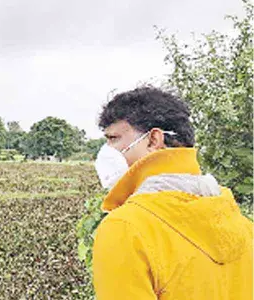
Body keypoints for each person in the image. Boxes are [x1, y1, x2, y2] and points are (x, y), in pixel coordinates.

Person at [92, 87, 252, 299]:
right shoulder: (243, 226)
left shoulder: (125, 228)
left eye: (113, 138)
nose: (106, 150)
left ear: (153, 140)